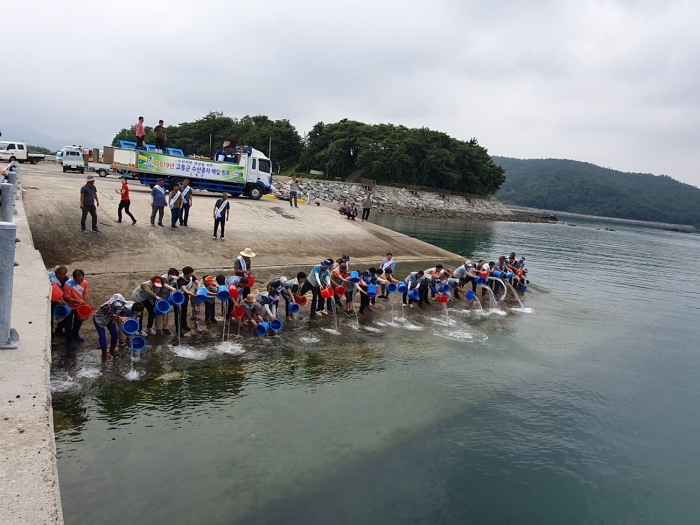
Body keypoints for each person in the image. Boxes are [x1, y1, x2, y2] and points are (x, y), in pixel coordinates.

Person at [93, 294, 144, 360]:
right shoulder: (107, 306)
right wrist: (119, 317)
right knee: (103, 336)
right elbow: (110, 314)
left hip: (110, 320)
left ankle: (112, 349)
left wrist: (126, 321)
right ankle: (104, 353)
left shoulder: (122, 306)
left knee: (115, 334)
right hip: (99, 320)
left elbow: (123, 314)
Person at [61, 269, 90, 349]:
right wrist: (77, 300)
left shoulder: (85, 283)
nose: (80, 281)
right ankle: (69, 340)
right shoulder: (68, 285)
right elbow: (66, 297)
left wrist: (85, 303)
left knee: (79, 321)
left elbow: (85, 293)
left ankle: (75, 334)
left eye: (82, 279)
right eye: (78, 280)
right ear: (74, 278)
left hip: (79, 306)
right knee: (68, 323)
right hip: (70, 306)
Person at [175, 266, 200, 336]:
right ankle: (178, 329)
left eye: (191, 274)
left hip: (185, 296)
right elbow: (185, 290)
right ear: (185, 274)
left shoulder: (191, 276)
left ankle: (184, 324)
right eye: (189, 275)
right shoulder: (180, 280)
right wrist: (192, 294)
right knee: (179, 313)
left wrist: (198, 287)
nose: (190, 276)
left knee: (184, 311)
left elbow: (197, 282)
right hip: (179, 296)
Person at [155, 268, 179, 335]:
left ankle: (165, 327)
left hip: (167, 297)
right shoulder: (163, 278)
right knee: (159, 312)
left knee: (166, 313)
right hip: (159, 297)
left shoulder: (173, 281)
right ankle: (158, 328)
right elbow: (164, 284)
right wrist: (171, 288)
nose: (173, 278)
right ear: (169, 274)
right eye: (172, 277)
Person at [49, 266, 69, 346]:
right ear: (56, 273)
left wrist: (62, 300)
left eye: (63, 274)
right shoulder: (50, 276)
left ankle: (59, 330)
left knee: (67, 313)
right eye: (60, 274)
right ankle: (52, 336)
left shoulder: (65, 279)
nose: (62, 276)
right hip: (49, 297)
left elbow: (61, 290)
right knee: (50, 318)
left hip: (58, 297)